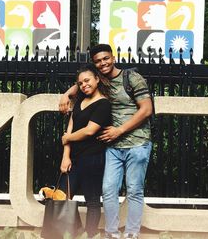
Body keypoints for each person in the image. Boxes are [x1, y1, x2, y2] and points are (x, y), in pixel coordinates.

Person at [59, 44, 153, 239]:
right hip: (111, 146)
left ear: (113, 57)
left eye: (105, 58)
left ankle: (131, 233)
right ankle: (111, 233)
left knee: (134, 190)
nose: (103, 63)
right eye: (98, 61)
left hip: (137, 142)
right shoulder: (99, 80)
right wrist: (66, 94)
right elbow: (83, 83)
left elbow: (146, 110)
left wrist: (119, 130)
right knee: (108, 189)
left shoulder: (132, 78)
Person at [59, 64, 112, 238]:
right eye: (80, 83)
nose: (84, 85)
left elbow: (89, 130)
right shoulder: (80, 101)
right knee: (61, 197)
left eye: (87, 80)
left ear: (97, 79)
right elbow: (70, 128)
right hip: (73, 159)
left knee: (93, 201)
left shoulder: (103, 104)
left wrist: (68, 138)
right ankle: (76, 232)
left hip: (93, 159)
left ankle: (90, 235)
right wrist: (65, 157)